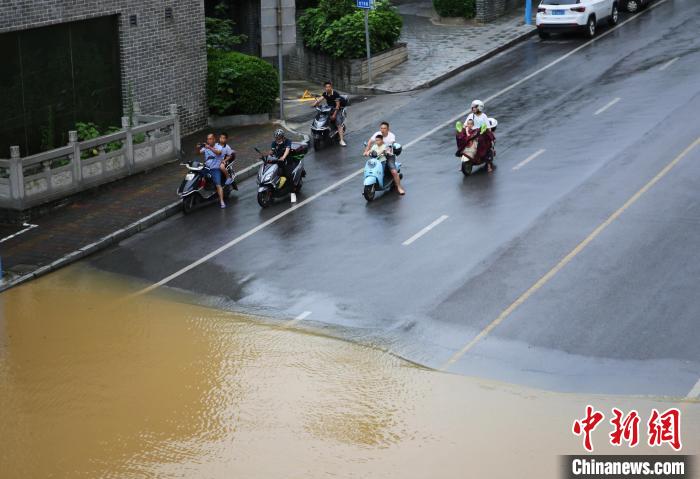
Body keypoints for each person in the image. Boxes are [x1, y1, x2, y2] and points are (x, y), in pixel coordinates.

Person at [364, 121, 404, 195]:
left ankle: (399, 187)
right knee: (372, 166)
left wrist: (386, 151)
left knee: (393, 171)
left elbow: (390, 145)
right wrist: (366, 151)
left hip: (389, 155)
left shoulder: (391, 136)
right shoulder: (377, 134)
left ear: (388, 129)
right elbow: (370, 141)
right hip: (377, 155)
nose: (382, 130)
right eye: (381, 128)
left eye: (384, 128)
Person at [313, 81, 347, 146]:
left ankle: (341, 140)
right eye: (326, 87)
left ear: (331, 87)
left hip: (337, 110)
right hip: (329, 109)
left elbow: (337, 105)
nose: (327, 88)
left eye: (329, 87)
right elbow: (320, 99)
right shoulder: (325, 93)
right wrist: (315, 104)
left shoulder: (335, 94)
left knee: (338, 123)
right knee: (321, 117)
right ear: (325, 88)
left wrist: (334, 114)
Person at [196, 133, 226, 208]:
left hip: (215, 168)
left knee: (218, 185)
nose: (208, 140)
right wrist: (197, 148)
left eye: (210, 139)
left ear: (214, 139)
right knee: (197, 175)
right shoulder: (205, 147)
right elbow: (198, 153)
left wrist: (209, 147)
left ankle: (222, 201)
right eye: (207, 139)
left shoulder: (219, 146)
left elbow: (218, 153)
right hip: (206, 167)